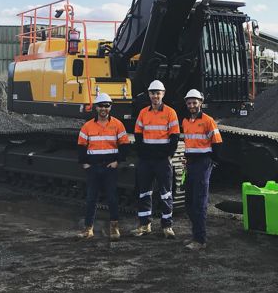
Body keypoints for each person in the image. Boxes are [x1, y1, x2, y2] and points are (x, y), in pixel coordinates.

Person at [76, 92, 130, 240]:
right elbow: (81, 146)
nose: (103, 109)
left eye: (106, 106)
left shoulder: (118, 125)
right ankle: (88, 229)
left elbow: (125, 145)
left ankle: (114, 229)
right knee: (91, 198)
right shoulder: (87, 126)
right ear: (96, 107)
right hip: (93, 168)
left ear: (110, 107)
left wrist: (117, 162)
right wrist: (85, 163)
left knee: (112, 198)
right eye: (100, 106)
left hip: (109, 168)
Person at [131, 79, 180, 239]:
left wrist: (168, 155)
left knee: (166, 194)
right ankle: (145, 225)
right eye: (152, 93)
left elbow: (174, 136)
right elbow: (138, 134)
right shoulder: (143, 113)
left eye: (158, 93)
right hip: (146, 160)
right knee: (144, 192)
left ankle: (167, 226)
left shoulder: (170, 112)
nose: (155, 96)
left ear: (163, 94)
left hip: (162, 160)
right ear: (149, 95)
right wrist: (142, 153)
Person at [181, 89, 222, 250]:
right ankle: (196, 235)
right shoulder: (185, 121)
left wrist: (212, 161)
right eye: (189, 103)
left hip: (203, 163)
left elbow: (217, 143)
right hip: (191, 163)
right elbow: (189, 142)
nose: (192, 105)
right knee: (189, 202)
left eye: (194, 102)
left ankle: (200, 239)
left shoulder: (208, 121)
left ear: (200, 102)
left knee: (199, 202)